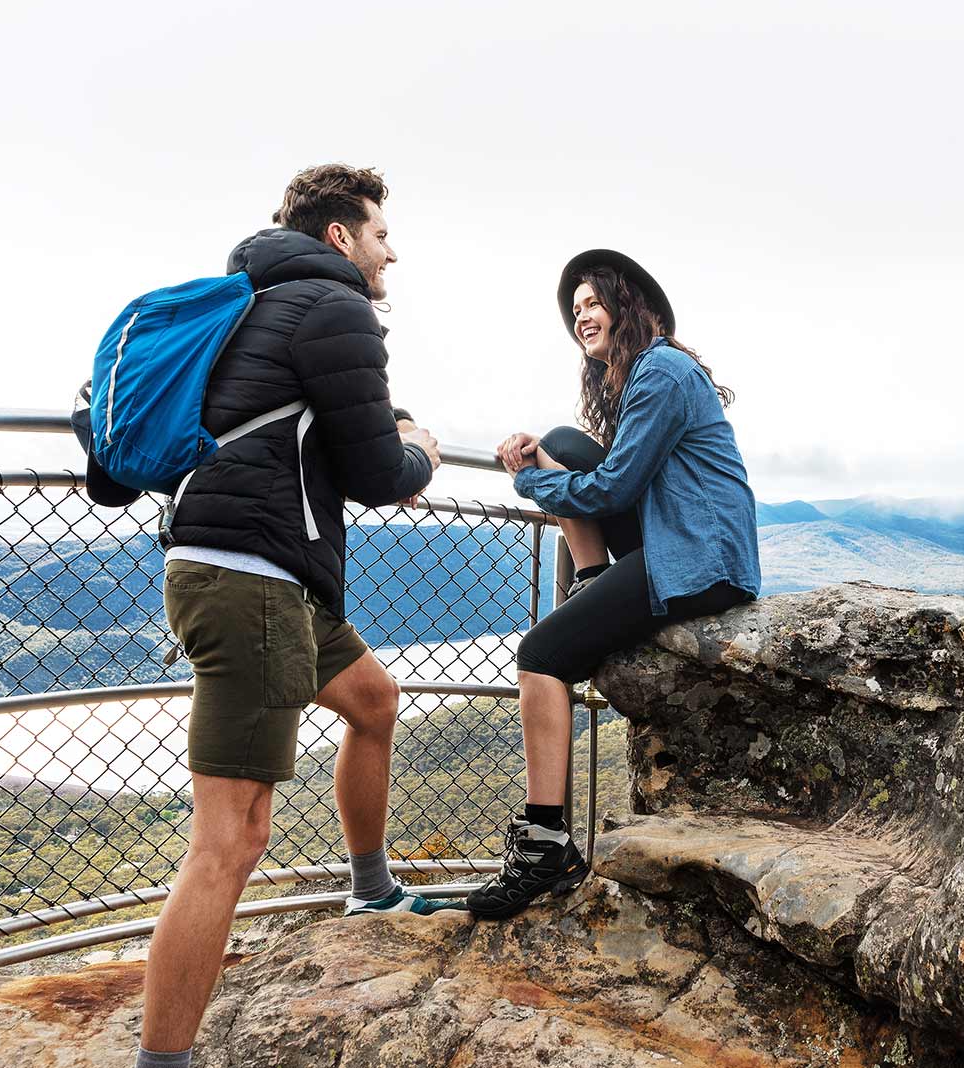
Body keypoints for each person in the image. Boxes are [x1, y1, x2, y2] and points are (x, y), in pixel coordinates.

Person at [104, 164, 457, 1068]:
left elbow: (306, 430)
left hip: (263, 572)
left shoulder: (248, 305)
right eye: (382, 233)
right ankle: (163, 1063)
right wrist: (418, 449)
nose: (392, 250)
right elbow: (380, 474)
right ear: (341, 237)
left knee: (373, 701)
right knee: (233, 838)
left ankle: (371, 889)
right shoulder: (332, 308)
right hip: (253, 580)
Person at [466, 250, 760, 920]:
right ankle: (595, 580)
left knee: (541, 655)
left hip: (697, 558)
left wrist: (528, 478)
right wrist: (542, 456)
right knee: (567, 440)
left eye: (593, 303)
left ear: (629, 307)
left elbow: (615, 487)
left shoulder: (661, 369)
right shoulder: (650, 376)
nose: (582, 319)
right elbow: (602, 472)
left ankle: (545, 846)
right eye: (576, 312)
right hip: (682, 543)